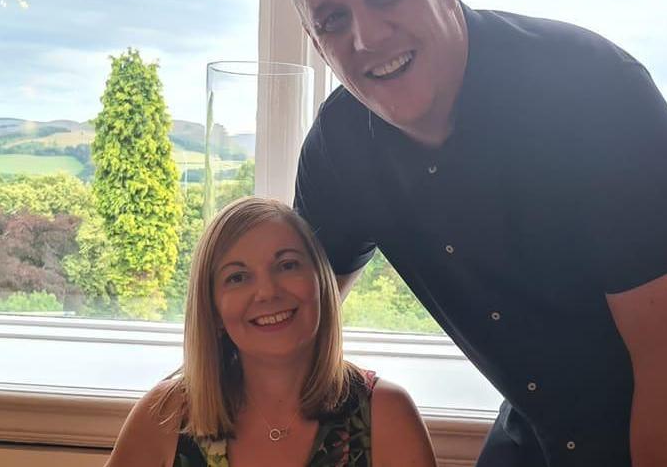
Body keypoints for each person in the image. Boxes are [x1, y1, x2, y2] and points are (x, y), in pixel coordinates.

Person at [277, 0, 667, 465]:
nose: (366, 36)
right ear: (314, 37)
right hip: (545, 407)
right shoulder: (338, 146)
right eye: (332, 20)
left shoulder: (588, 88)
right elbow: (291, 319)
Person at [106, 197, 437, 467]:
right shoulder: (166, 415)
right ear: (213, 310)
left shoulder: (387, 414)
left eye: (288, 265)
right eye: (237, 277)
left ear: (321, 284)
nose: (267, 292)